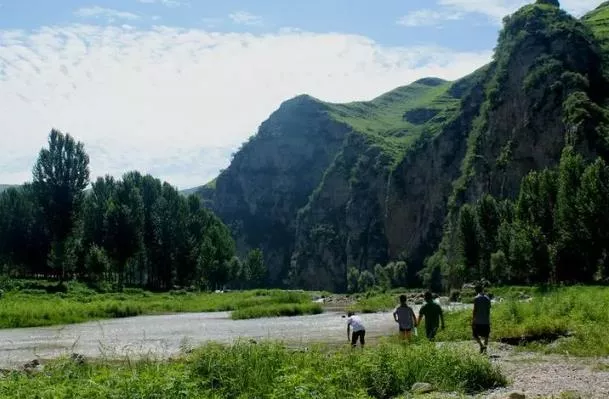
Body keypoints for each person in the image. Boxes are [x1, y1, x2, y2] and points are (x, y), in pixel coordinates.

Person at [472, 284, 491, 354]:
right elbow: (488, 310)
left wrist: (473, 320)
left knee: (475, 334)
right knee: (486, 335)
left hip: (478, 321)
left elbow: (474, 310)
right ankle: (485, 350)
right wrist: (488, 319)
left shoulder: (476, 298)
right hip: (486, 320)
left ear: (476, 290)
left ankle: (481, 345)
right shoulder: (487, 298)